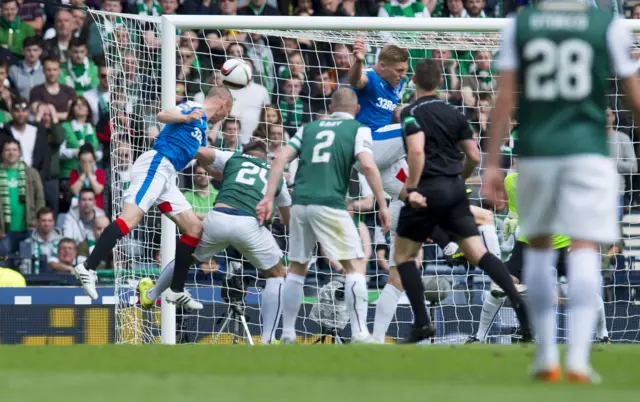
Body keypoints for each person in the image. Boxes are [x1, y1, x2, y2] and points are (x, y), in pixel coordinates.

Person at [483, 4, 640, 383]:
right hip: (588, 151)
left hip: (537, 152)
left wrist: (491, 163)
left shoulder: (520, 25)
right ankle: (580, 362)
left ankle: (546, 357)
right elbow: (634, 98)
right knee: (584, 246)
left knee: (538, 247)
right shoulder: (608, 25)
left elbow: (505, 100)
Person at [394, 58, 530, 344]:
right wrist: (459, 180)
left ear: (415, 82)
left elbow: (416, 151)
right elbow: (474, 155)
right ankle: (520, 308)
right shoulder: (455, 114)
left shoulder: (410, 112)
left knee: (404, 256)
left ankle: (421, 322)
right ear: (441, 83)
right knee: (480, 254)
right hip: (454, 191)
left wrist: (412, 187)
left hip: (427, 190)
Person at [74, 86, 233, 309]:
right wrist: (185, 116)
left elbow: (205, 162)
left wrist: (230, 176)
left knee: (194, 229)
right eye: (226, 114)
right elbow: (163, 115)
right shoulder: (195, 109)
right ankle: (88, 267)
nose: (223, 118)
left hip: (167, 177)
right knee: (129, 220)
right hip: (156, 165)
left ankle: (176, 290)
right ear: (224, 105)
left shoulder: (201, 128)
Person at [256, 88, 391, 344]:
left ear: (330, 107)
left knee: (296, 269)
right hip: (330, 202)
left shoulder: (309, 128)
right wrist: (382, 204)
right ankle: (360, 332)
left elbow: (279, 159)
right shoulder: (358, 128)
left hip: (300, 203)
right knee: (354, 266)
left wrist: (268, 197)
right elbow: (369, 165)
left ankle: (287, 333)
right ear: (357, 109)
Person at [139, 141, 291, 344]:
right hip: (249, 224)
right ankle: (269, 338)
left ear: (244, 152)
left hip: (218, 216)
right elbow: (288, 218)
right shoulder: (275, 174)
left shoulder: (233, 158)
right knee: (277, 274)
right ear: (266, 157)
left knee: (187, 258)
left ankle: (151, 293)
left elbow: (198, 151)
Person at [467, 167, 610, 345]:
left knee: (582, 287)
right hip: (529, 242)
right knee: (500, 284)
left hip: (562, 243)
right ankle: (479, 337)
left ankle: (603, 335)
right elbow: (515, 209)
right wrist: (511, 218)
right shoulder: (511, 181)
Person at [348, 40, 409, 131]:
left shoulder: (396, 83)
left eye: (404, 71)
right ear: (383, 66)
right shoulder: (370, 76)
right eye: (399, 70)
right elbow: (356, 81)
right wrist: (358, 61)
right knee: (410, 131)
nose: (403, 75)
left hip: (384, 136)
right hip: (367, 134)